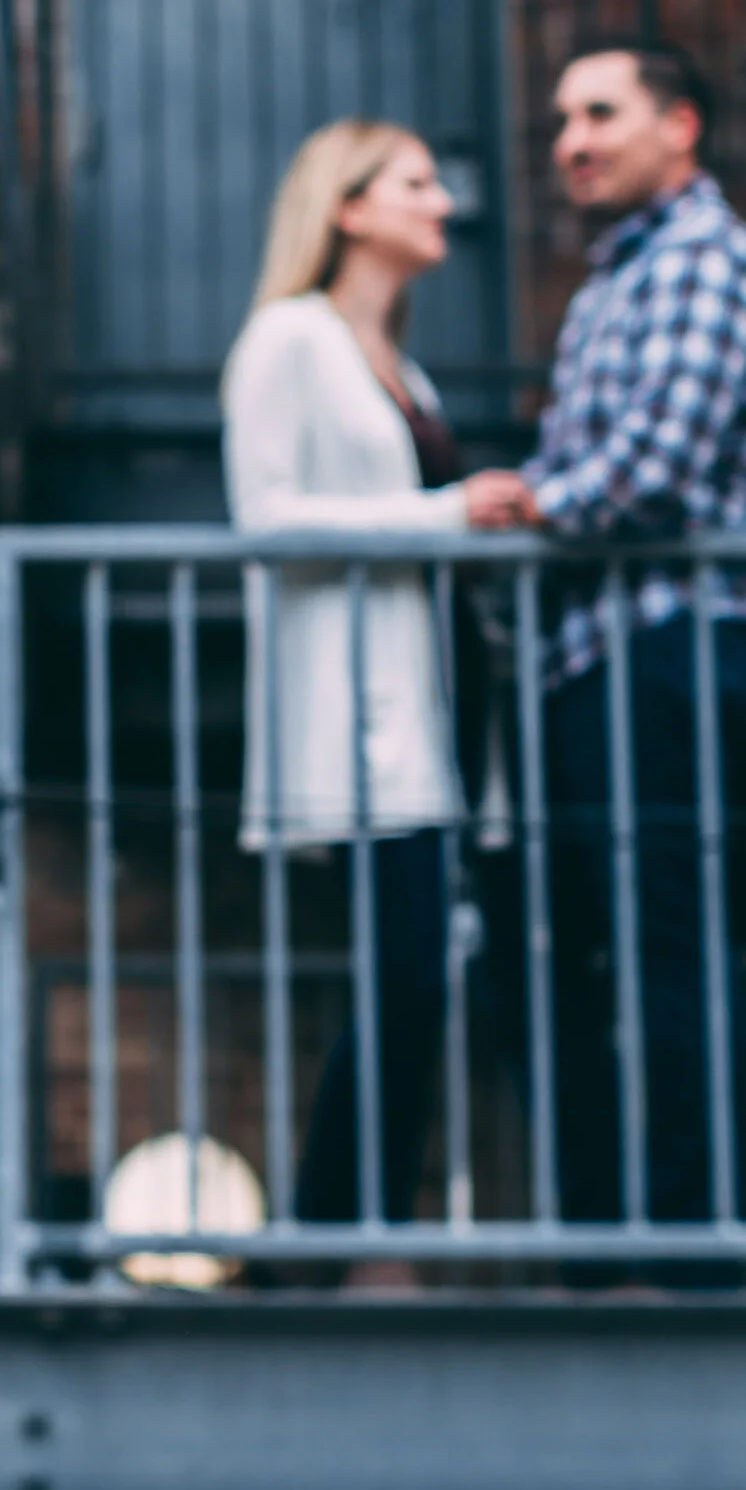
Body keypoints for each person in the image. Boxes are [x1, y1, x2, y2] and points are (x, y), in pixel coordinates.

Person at [221, 120, 535, 1230]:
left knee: (422, 978)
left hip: (438, 704)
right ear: (346, 208)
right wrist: (445, 515)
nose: (443, 203)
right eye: (414, 184)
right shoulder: (287, 341)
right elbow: (264, 519)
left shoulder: (406, 369)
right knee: (401, 977)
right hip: (356, 717)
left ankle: (356, 1229)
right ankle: (344, 1232)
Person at [510, 40, 746, 1235]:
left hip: (672, 645)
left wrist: (528, 507)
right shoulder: (615, 280)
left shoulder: (700, 260)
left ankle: (689, 1249)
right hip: (601, 652)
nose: (571, 141)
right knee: (595, 953)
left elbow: (649, 473)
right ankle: (613, 1240)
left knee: (670, 945)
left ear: (678, 126)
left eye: (599, 114)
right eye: (562, 121)